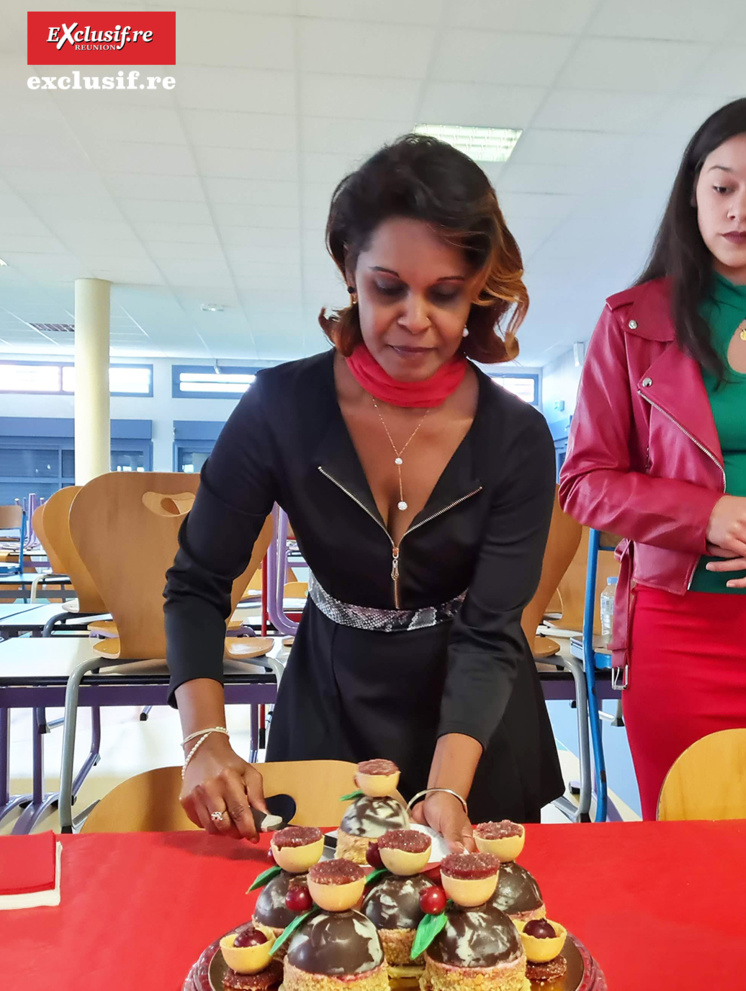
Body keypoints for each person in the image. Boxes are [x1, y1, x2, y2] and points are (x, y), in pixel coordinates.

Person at [164, 134, 563, 850]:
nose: (416, 317)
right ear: (350, 270)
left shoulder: (517, 437)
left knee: (480, 954)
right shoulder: (280, 407)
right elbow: (197, 581)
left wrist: (445, 788)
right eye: (389, 287)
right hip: (329, 702)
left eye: (445, 293)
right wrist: (205, 737)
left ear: (478, 287)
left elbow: (490, 629)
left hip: (476, 727)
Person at [559, 96, 746, 819]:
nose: (741, 209)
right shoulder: (632, 322)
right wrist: (706, 515)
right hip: (681, 629)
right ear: (693, 190)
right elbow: (585, 482)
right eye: (722, 186)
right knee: (688, 847)